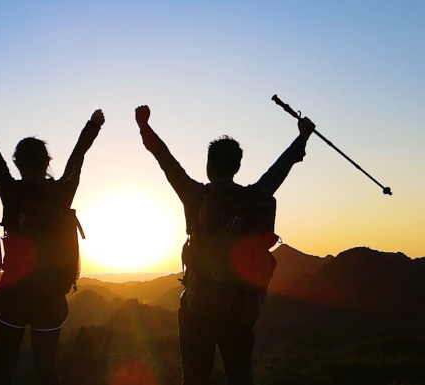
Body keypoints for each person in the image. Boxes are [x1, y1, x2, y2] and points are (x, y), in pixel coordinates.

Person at [134, 105, 314, 385]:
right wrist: (302, 138)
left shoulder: (197, 196)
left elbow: (166, 160)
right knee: (240, 377)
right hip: (241, 309)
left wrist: (144, 126)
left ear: (209, 166)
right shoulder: (256, 197)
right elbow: (280, 169)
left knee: (195, 379)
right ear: (237, 166)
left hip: (199, 309)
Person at [0, 106, 105, 385]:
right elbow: (78, 157)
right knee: (47, 370)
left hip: (13, 294)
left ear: (17, 163)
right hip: (51, 297)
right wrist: (93, 125)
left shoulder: (11, 190)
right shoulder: (63, 192)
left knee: (5, 367)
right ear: (47, 161)